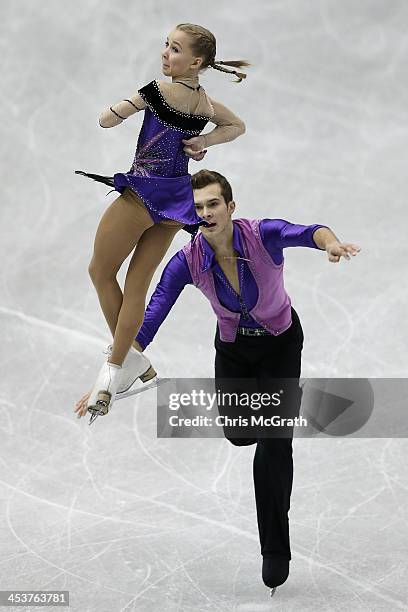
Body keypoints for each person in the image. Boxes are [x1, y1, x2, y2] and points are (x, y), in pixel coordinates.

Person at [74, 169, 361, 593]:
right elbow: (145, 322)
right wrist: (108, 378)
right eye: (198, 207)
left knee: (273, 443)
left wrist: (331, 244)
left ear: (230, 207)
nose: (206, 213)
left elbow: (310, 231)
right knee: (240, 434)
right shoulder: (185, 261)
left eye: (213, 204)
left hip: (280, 346)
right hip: (233, 352)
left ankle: (275, 551)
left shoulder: (262, 235)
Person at [74, 23, 248, 420]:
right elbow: (236, 126)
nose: (165, 54)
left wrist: (123, 106)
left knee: (100, 271)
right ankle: (123, 365)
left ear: (196, 61)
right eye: (166, 46)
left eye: (174, 49)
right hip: (175, 204)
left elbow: (105, 120)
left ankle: (121, 364)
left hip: (141, 196)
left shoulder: (155, 91)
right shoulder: (204, 104)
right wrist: (204, 141)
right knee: (137, 285)